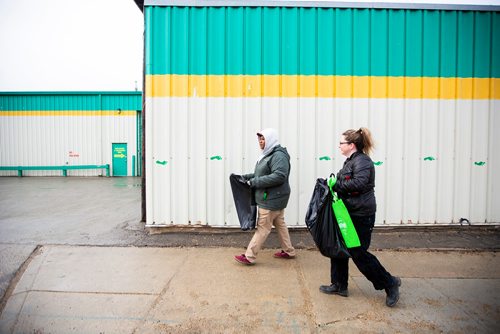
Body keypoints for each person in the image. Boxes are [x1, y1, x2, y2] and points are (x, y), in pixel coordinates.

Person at [319, 127, 401, 307]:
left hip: (361, 215)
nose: (339, 146)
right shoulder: (350, 161)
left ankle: (390, 283)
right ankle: (339, 284)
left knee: (358, 253)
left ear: (352, 145)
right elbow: (348, 182)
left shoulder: (363, 162)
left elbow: (359, 183)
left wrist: (337, 184)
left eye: (341, 143)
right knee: (339, 248)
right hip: (348, 213)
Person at [234, 128, 296, 265]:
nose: (261, 142)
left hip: (272, 198)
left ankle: (249, 256)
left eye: (263, 139)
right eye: (259, 139)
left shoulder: (278, 156)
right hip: (276, 197)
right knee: (280, 223)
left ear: (271, 140)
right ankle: (289, 251)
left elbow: (279, 176)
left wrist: (254, 182)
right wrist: (246, 177)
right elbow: (261, 174)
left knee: (263, 227)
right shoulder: (268, 154)